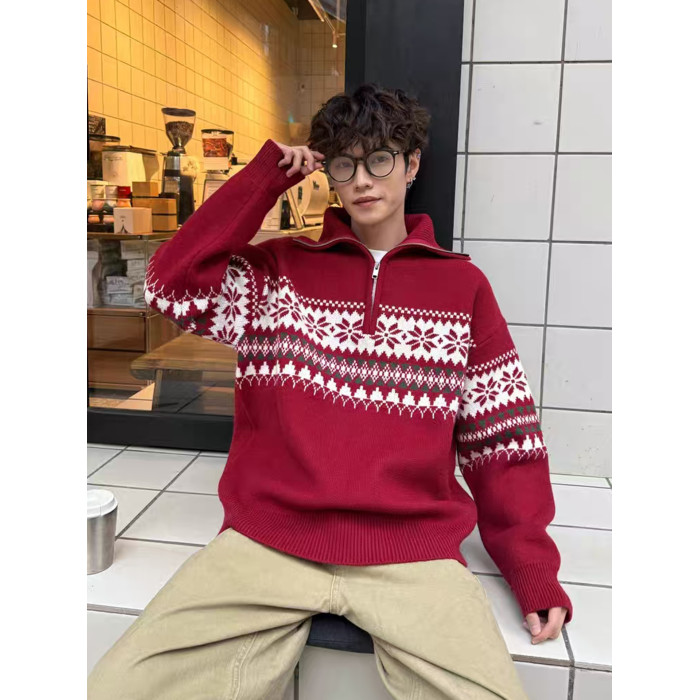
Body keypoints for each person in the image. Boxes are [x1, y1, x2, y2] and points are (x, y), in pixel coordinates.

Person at [88, 84, 572, 700]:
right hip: (268, 545)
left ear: (412, 165)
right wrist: (264, 180)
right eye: (344, 165)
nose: (362, 180)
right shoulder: (276, 274)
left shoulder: (463, 287)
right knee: (120, 688)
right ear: (329, 176)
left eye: (380, 160)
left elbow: (502, 440)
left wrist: (531, 568)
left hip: (412, 556)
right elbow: (168, 285)